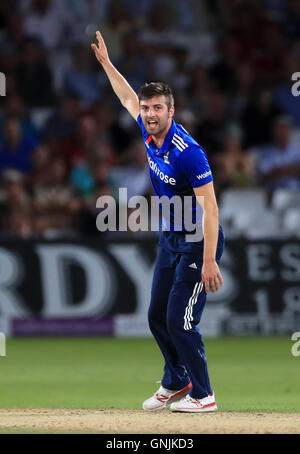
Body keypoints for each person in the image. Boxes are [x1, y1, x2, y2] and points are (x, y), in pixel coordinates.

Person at [91, 31, 225, 413]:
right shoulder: (150, 136)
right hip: (171, 238)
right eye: (147, 108)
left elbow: (211, 209)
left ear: (171, 112)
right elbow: (126, 97)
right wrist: (106, 64)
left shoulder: (189, 154)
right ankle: (176, 380)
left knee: (180, 322)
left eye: (156, 108)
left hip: (198, 241)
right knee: (155, 317)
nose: (148, 113)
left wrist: (211, 259)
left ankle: (204, 395)